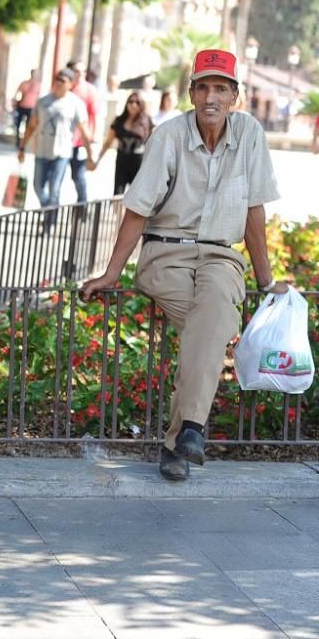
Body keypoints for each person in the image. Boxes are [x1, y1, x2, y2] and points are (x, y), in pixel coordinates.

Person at [81, 49, 288, 482]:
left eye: (221, 88)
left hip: (220, 256)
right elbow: (137, 209)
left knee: (211, 317)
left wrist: (266, 279)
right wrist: (112, 272)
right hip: (165, 253)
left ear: (235, 95)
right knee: (210, 330)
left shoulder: (249, 133)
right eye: (203, 87)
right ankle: (185, 436)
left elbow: (254, 210)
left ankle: (183, 438)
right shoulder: (169, 136)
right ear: (192, 93)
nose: (211, 97)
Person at [17, 69, 96, 233]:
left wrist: (90, 154)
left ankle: (49, 222)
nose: (59, 83)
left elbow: (84, 130)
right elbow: (32, 126)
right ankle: (49, 210)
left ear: (70, 83)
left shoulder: (76, 104)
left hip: (62, 152)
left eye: (63, 80)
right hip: (42, 150)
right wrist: (23, 147)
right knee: (38, 187)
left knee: (55, 189)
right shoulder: (43, 101)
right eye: (57, 79)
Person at [95, 91, 154, 195]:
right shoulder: (119, 121)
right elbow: (108, 142)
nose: (133, 105)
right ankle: (117, 212)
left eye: (137, 102)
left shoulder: (146, 121)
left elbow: (154, 143)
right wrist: (98, 159)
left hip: (139, 161)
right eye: (130, 102)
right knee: (118, 192)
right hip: (122, 159)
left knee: (137, 195)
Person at [66, 60, 99, 204]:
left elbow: (94, 115)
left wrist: (93, 137)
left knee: (78, 177)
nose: (80, 74)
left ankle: (82, 207)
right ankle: (50, 216)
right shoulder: (64, 88)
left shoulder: (90, 90)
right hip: (62, 141)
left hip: (80, 143)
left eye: (83, 71)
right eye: (77, 71)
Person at [11, 69, 40, 148]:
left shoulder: (38, 85)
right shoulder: (24, 83)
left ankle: (24, 142)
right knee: (18, 124)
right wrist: (15, 102)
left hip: (31, 108)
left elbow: (38, 97)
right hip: (22, 106)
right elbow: (17, 93)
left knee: (28, 126)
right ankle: (18, 141)